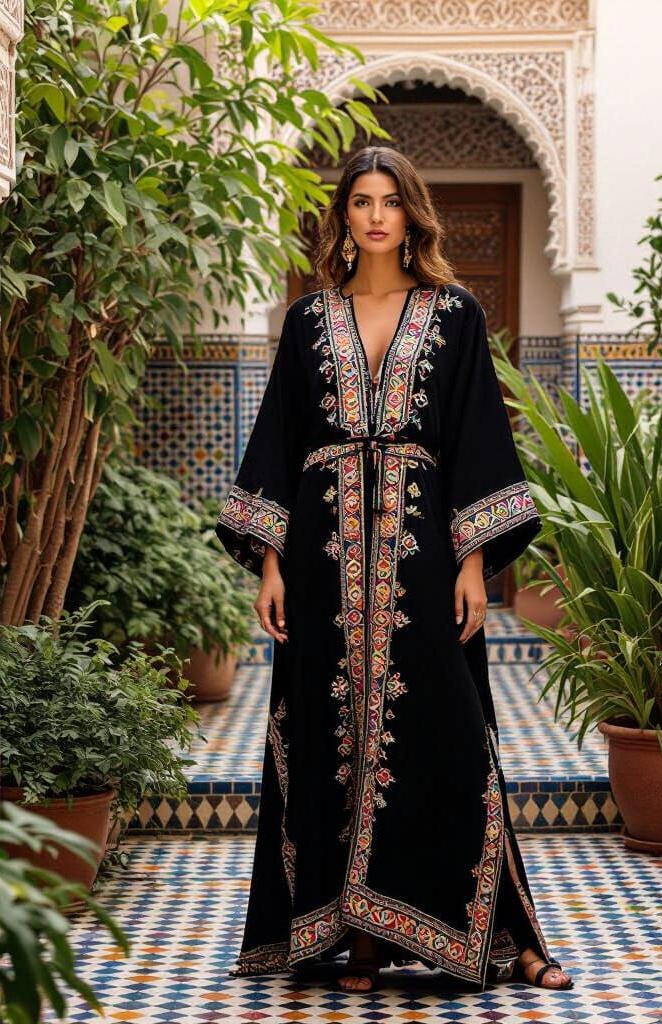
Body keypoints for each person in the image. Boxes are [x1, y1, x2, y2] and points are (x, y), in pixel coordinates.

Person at [215, 146, 574, 994]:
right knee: (325, 741)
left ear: (413, 214)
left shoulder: (454, 314)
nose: (377, 216)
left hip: (422, 561)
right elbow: (279, 442)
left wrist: (474, 562)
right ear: (343, 217)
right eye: (362, 202)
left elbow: (479, 440)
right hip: (321, 561)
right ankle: (359, 935)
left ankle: (507, 934)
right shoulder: (309, 321)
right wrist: (269, 563)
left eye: (391, 202)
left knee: (452, 734)